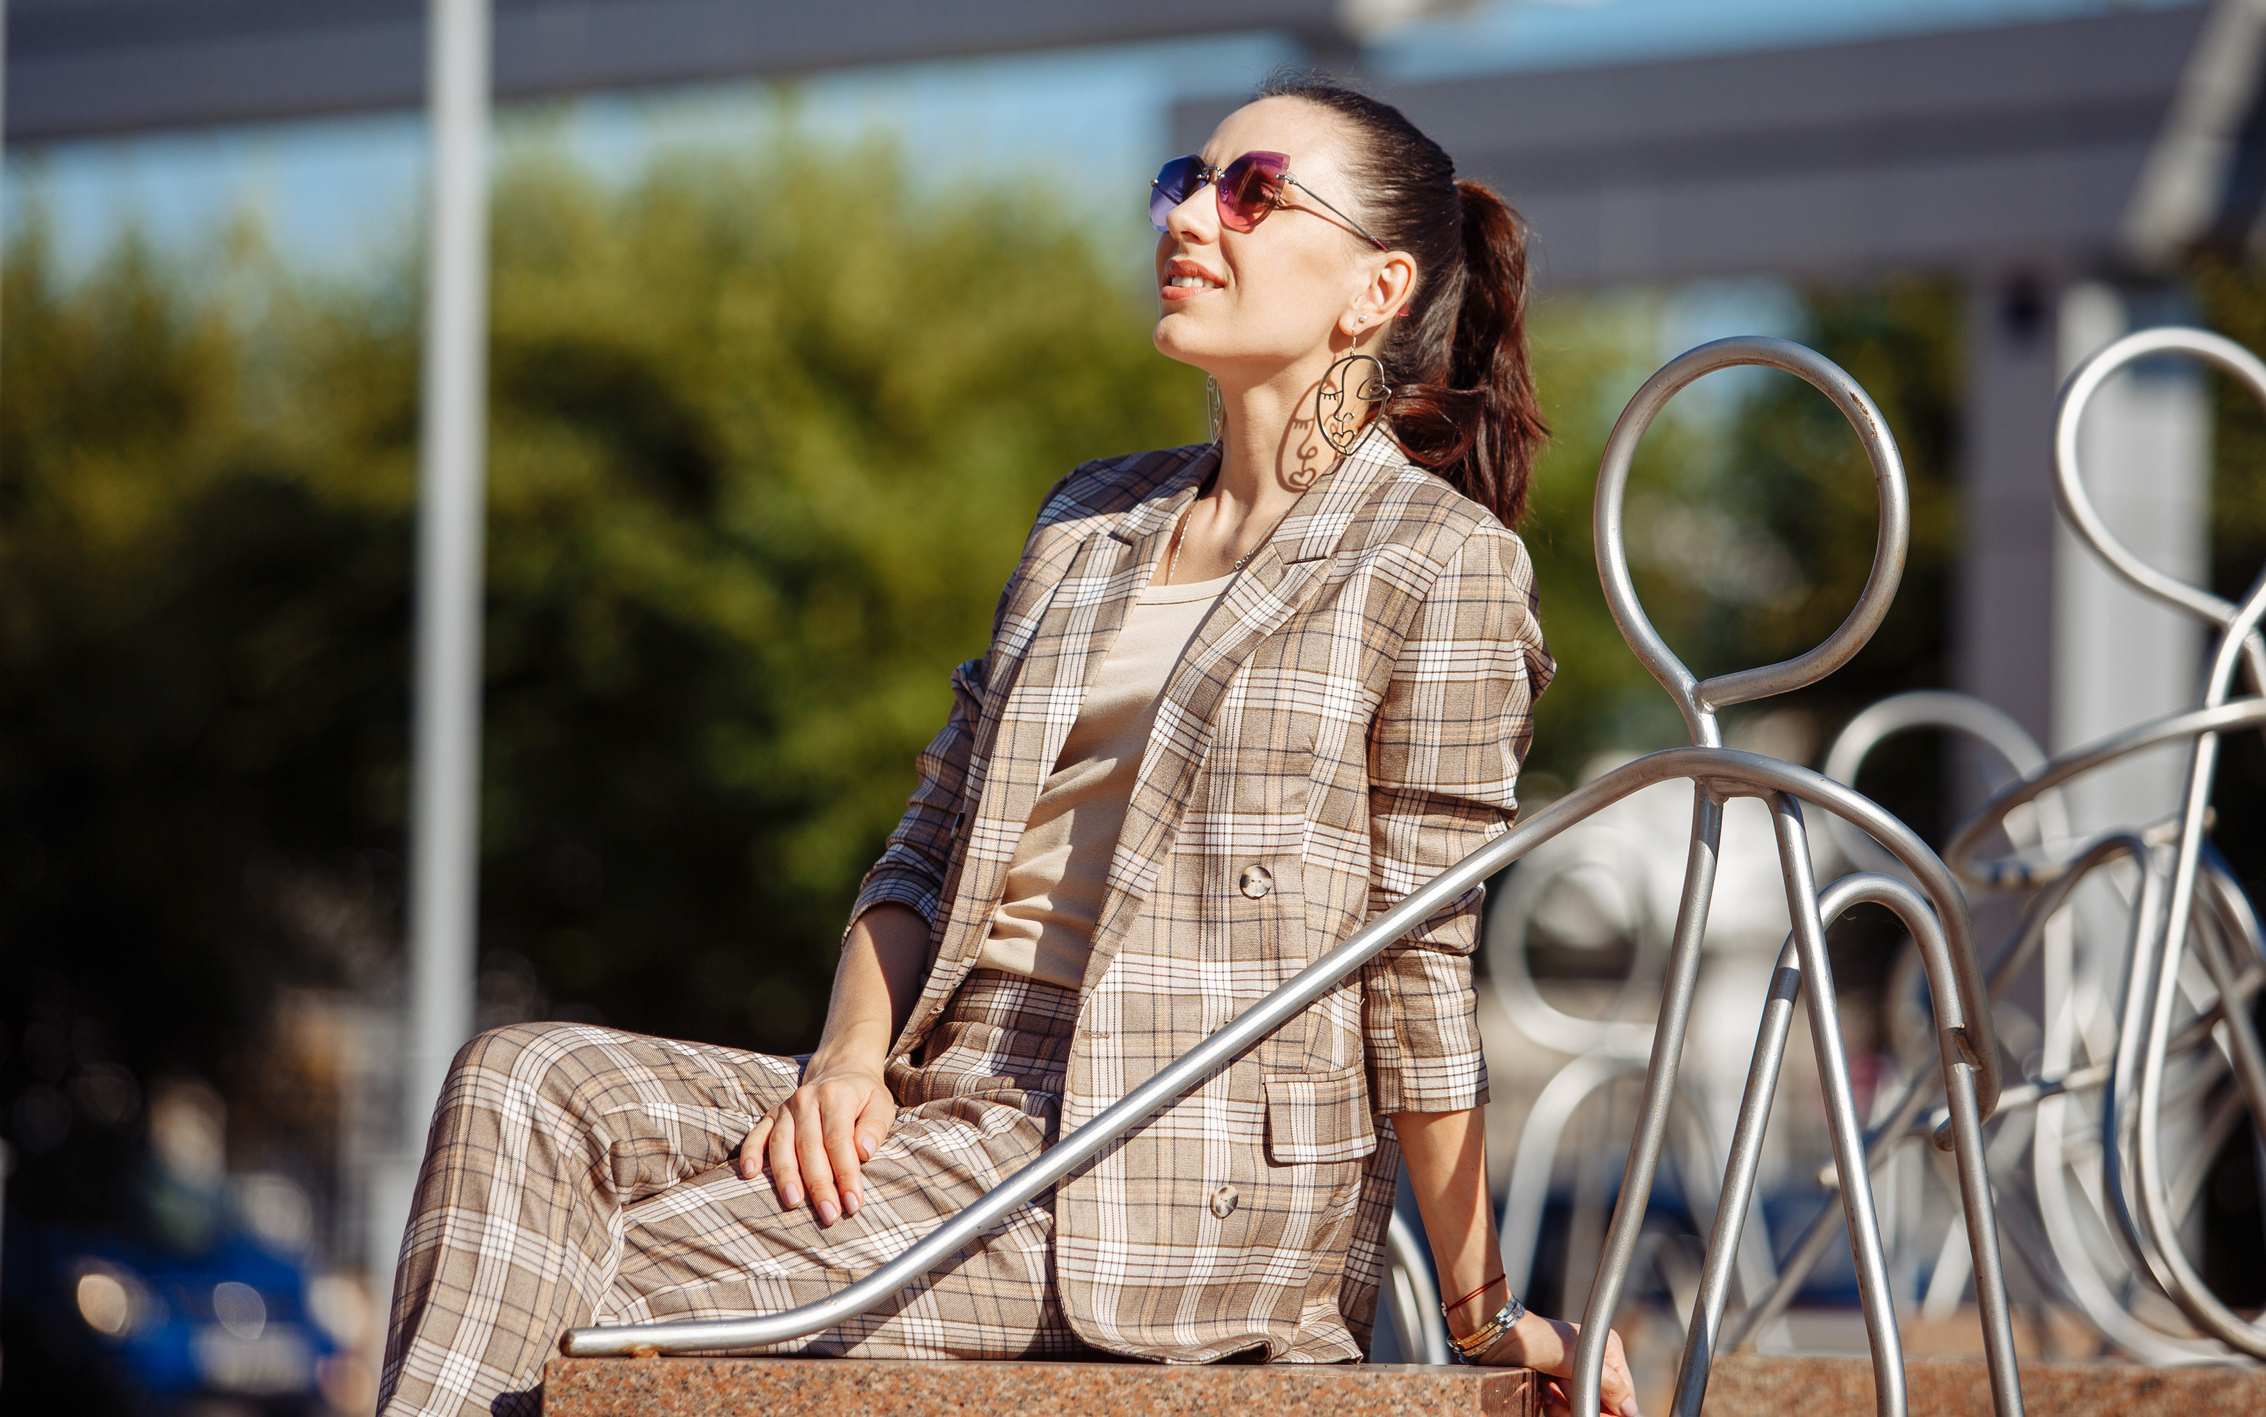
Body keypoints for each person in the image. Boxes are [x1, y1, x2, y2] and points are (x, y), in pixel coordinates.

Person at [376, 75, 1639, 1417]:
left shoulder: (1439, 562)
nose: (1191, 216)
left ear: (1374, 291)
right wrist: (849, 1065)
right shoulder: (1087, 524)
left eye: (1251, 192)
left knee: (596, 1287)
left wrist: (1480, 1311)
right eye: (1184, 180)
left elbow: (1419, 959)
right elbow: (927, 843)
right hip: (945, 1092)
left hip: (1157, 1170)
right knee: (526, 1083)